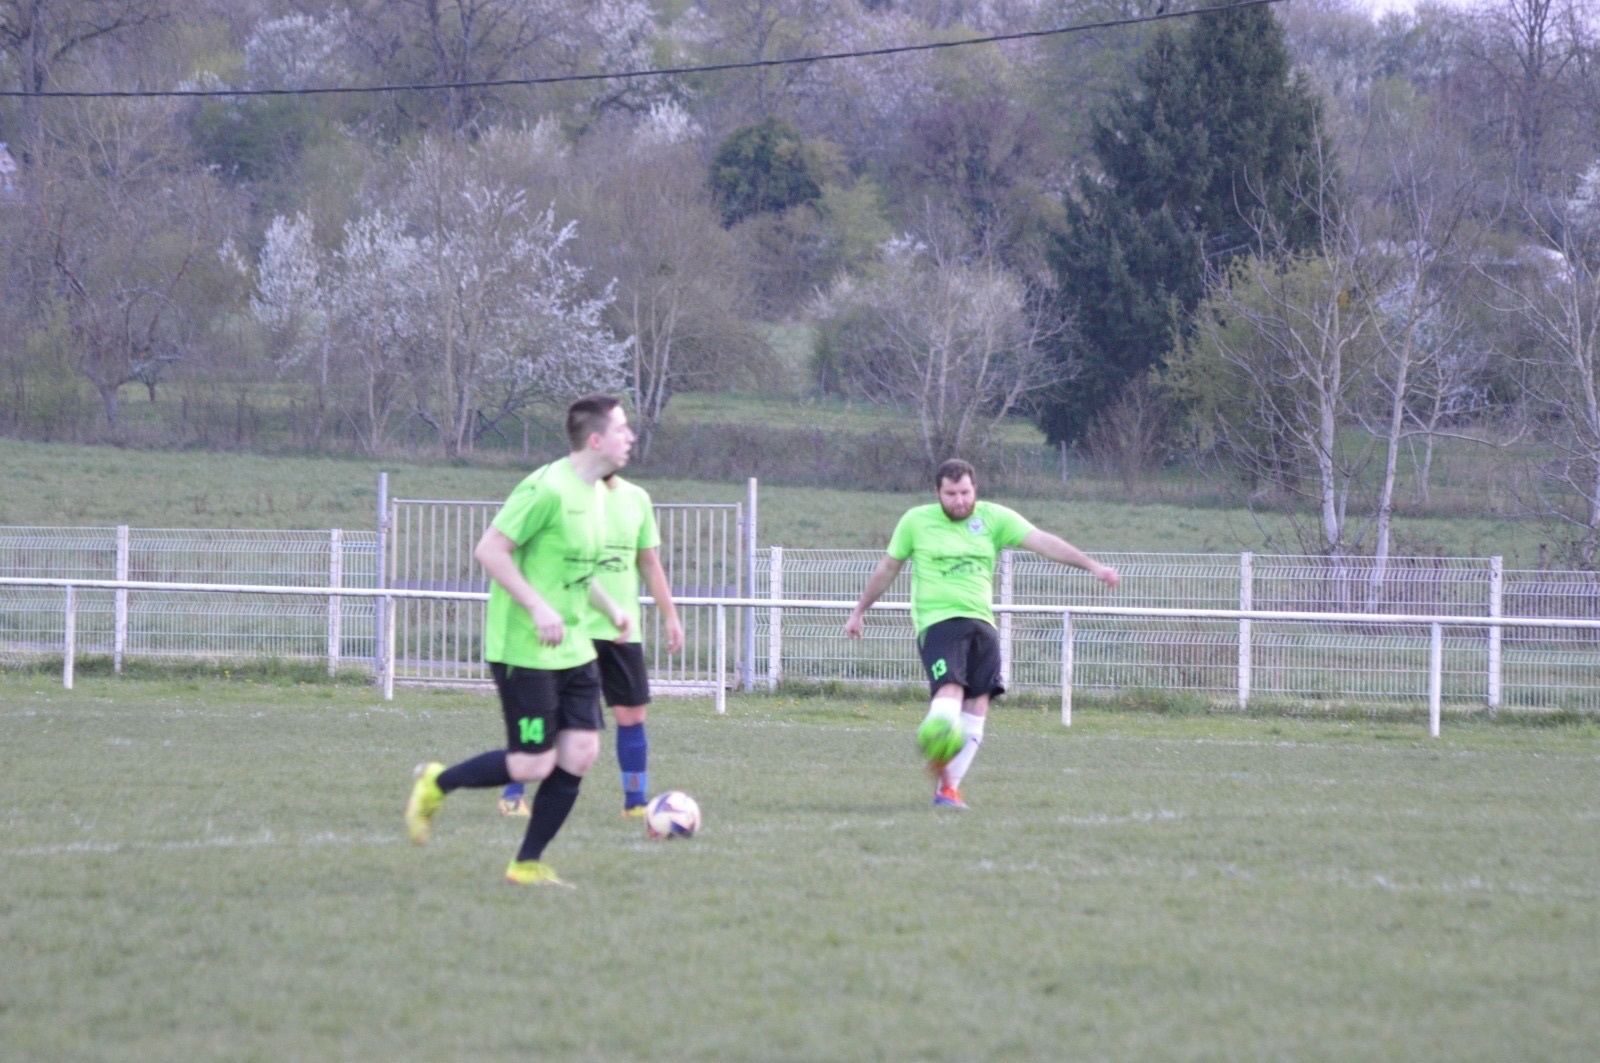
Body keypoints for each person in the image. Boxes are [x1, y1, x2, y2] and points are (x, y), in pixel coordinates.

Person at [403, 394, 636, 887]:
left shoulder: (597, 494)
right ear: (596, 439)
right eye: (622, 429)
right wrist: (536, 606)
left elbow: (575, 568)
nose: (630, 437)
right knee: (532, 764)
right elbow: (490, 550)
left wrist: (610, 608)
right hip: (526, 649)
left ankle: (525, 864)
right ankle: (435, 783)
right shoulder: (546, 488)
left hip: (574, 646)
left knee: (580, 753)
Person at [844, 458, 1119, 809]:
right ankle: (936, 737)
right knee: (951, 688)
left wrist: (1093, 566)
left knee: (979, 703)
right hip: (939, 624)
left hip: (983, 624)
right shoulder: (915, 521)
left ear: (975, 489)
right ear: (937, 493)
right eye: (951, 494)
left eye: (965, 493)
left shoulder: (994, 518)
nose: (959, 501)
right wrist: (859, 611)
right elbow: (888, 567)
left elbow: (1043, 541)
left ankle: (948, 790)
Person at [496, 470, 685, 819]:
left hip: (621, 630)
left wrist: (670, 615)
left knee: (632, 714)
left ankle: (635, 802)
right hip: (573, 625)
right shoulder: (569, 496)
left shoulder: (636, 498)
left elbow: (649, 563)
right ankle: (512, 795)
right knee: (546, 714)